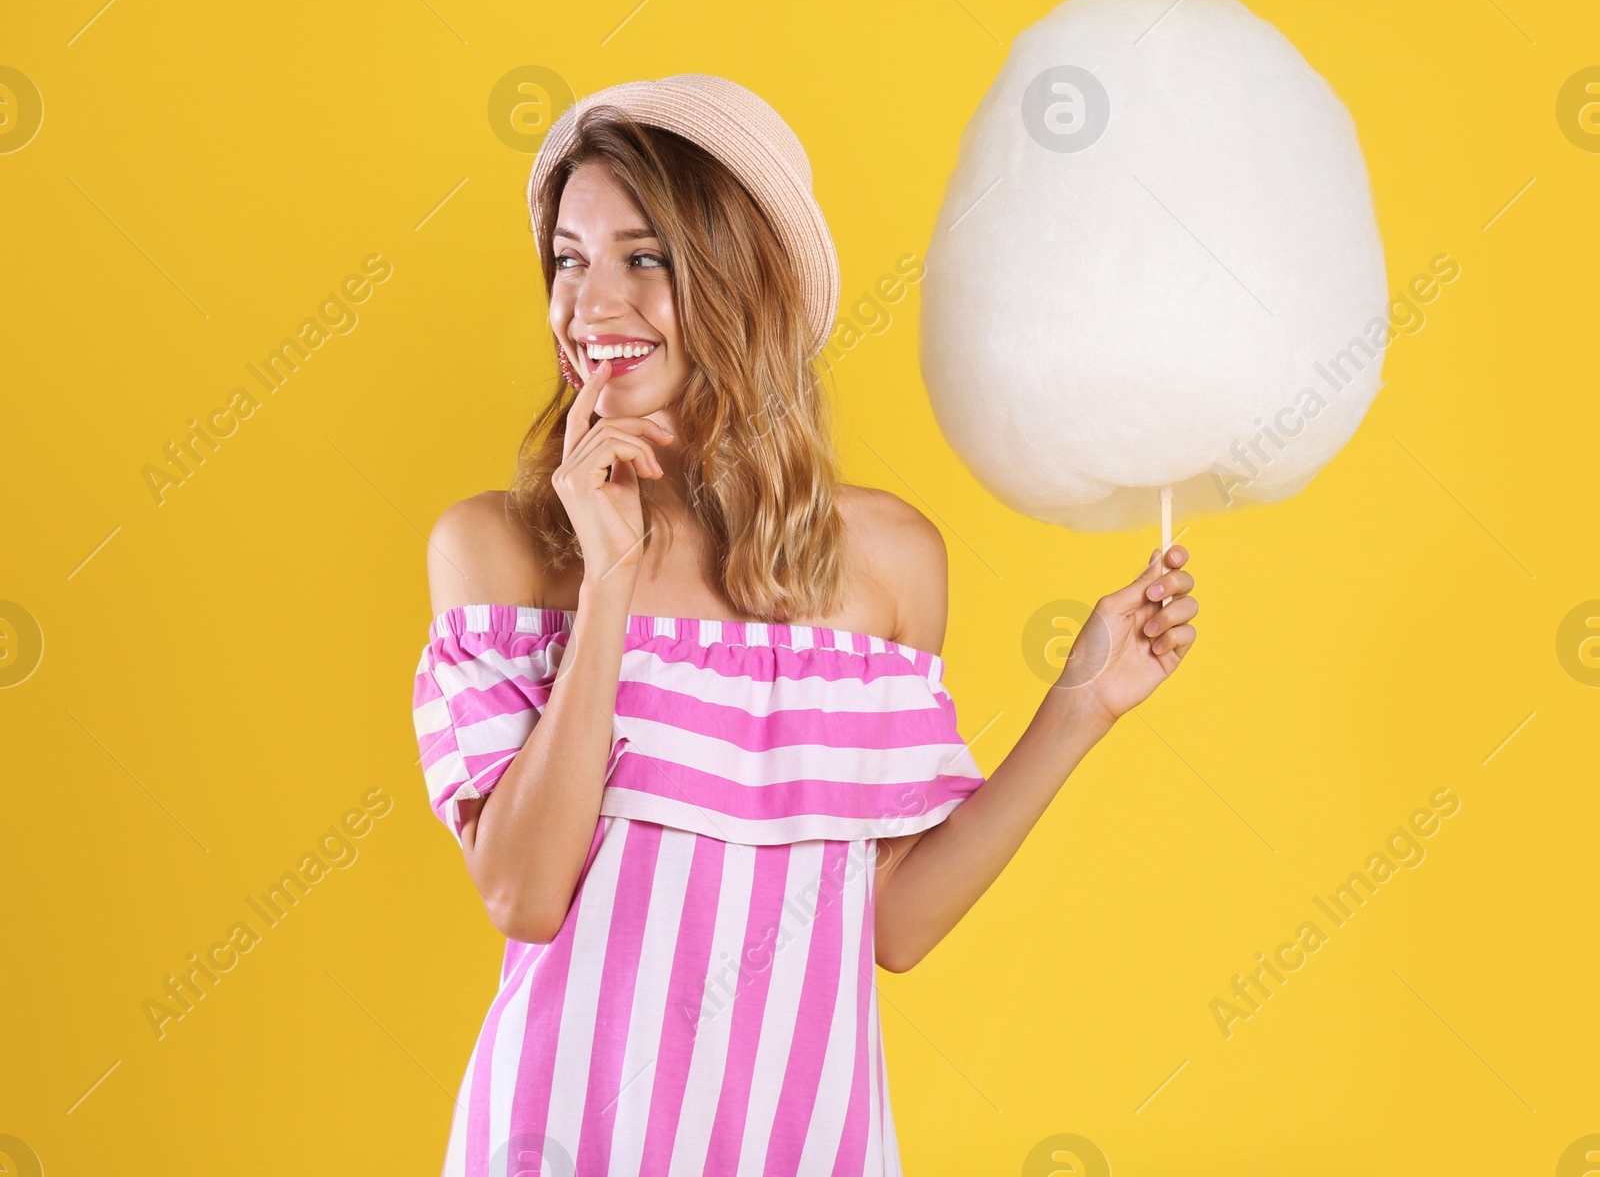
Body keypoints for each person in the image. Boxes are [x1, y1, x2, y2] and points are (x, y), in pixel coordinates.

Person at [412, 75, 1198, 1176]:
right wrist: (608, 580)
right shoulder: (497, 550)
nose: (590, 304)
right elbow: (525, 894)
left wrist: (1081, 705)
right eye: (569, 258)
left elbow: (891, 923)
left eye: (645, 257)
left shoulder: (886, 564)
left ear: (743, 280)